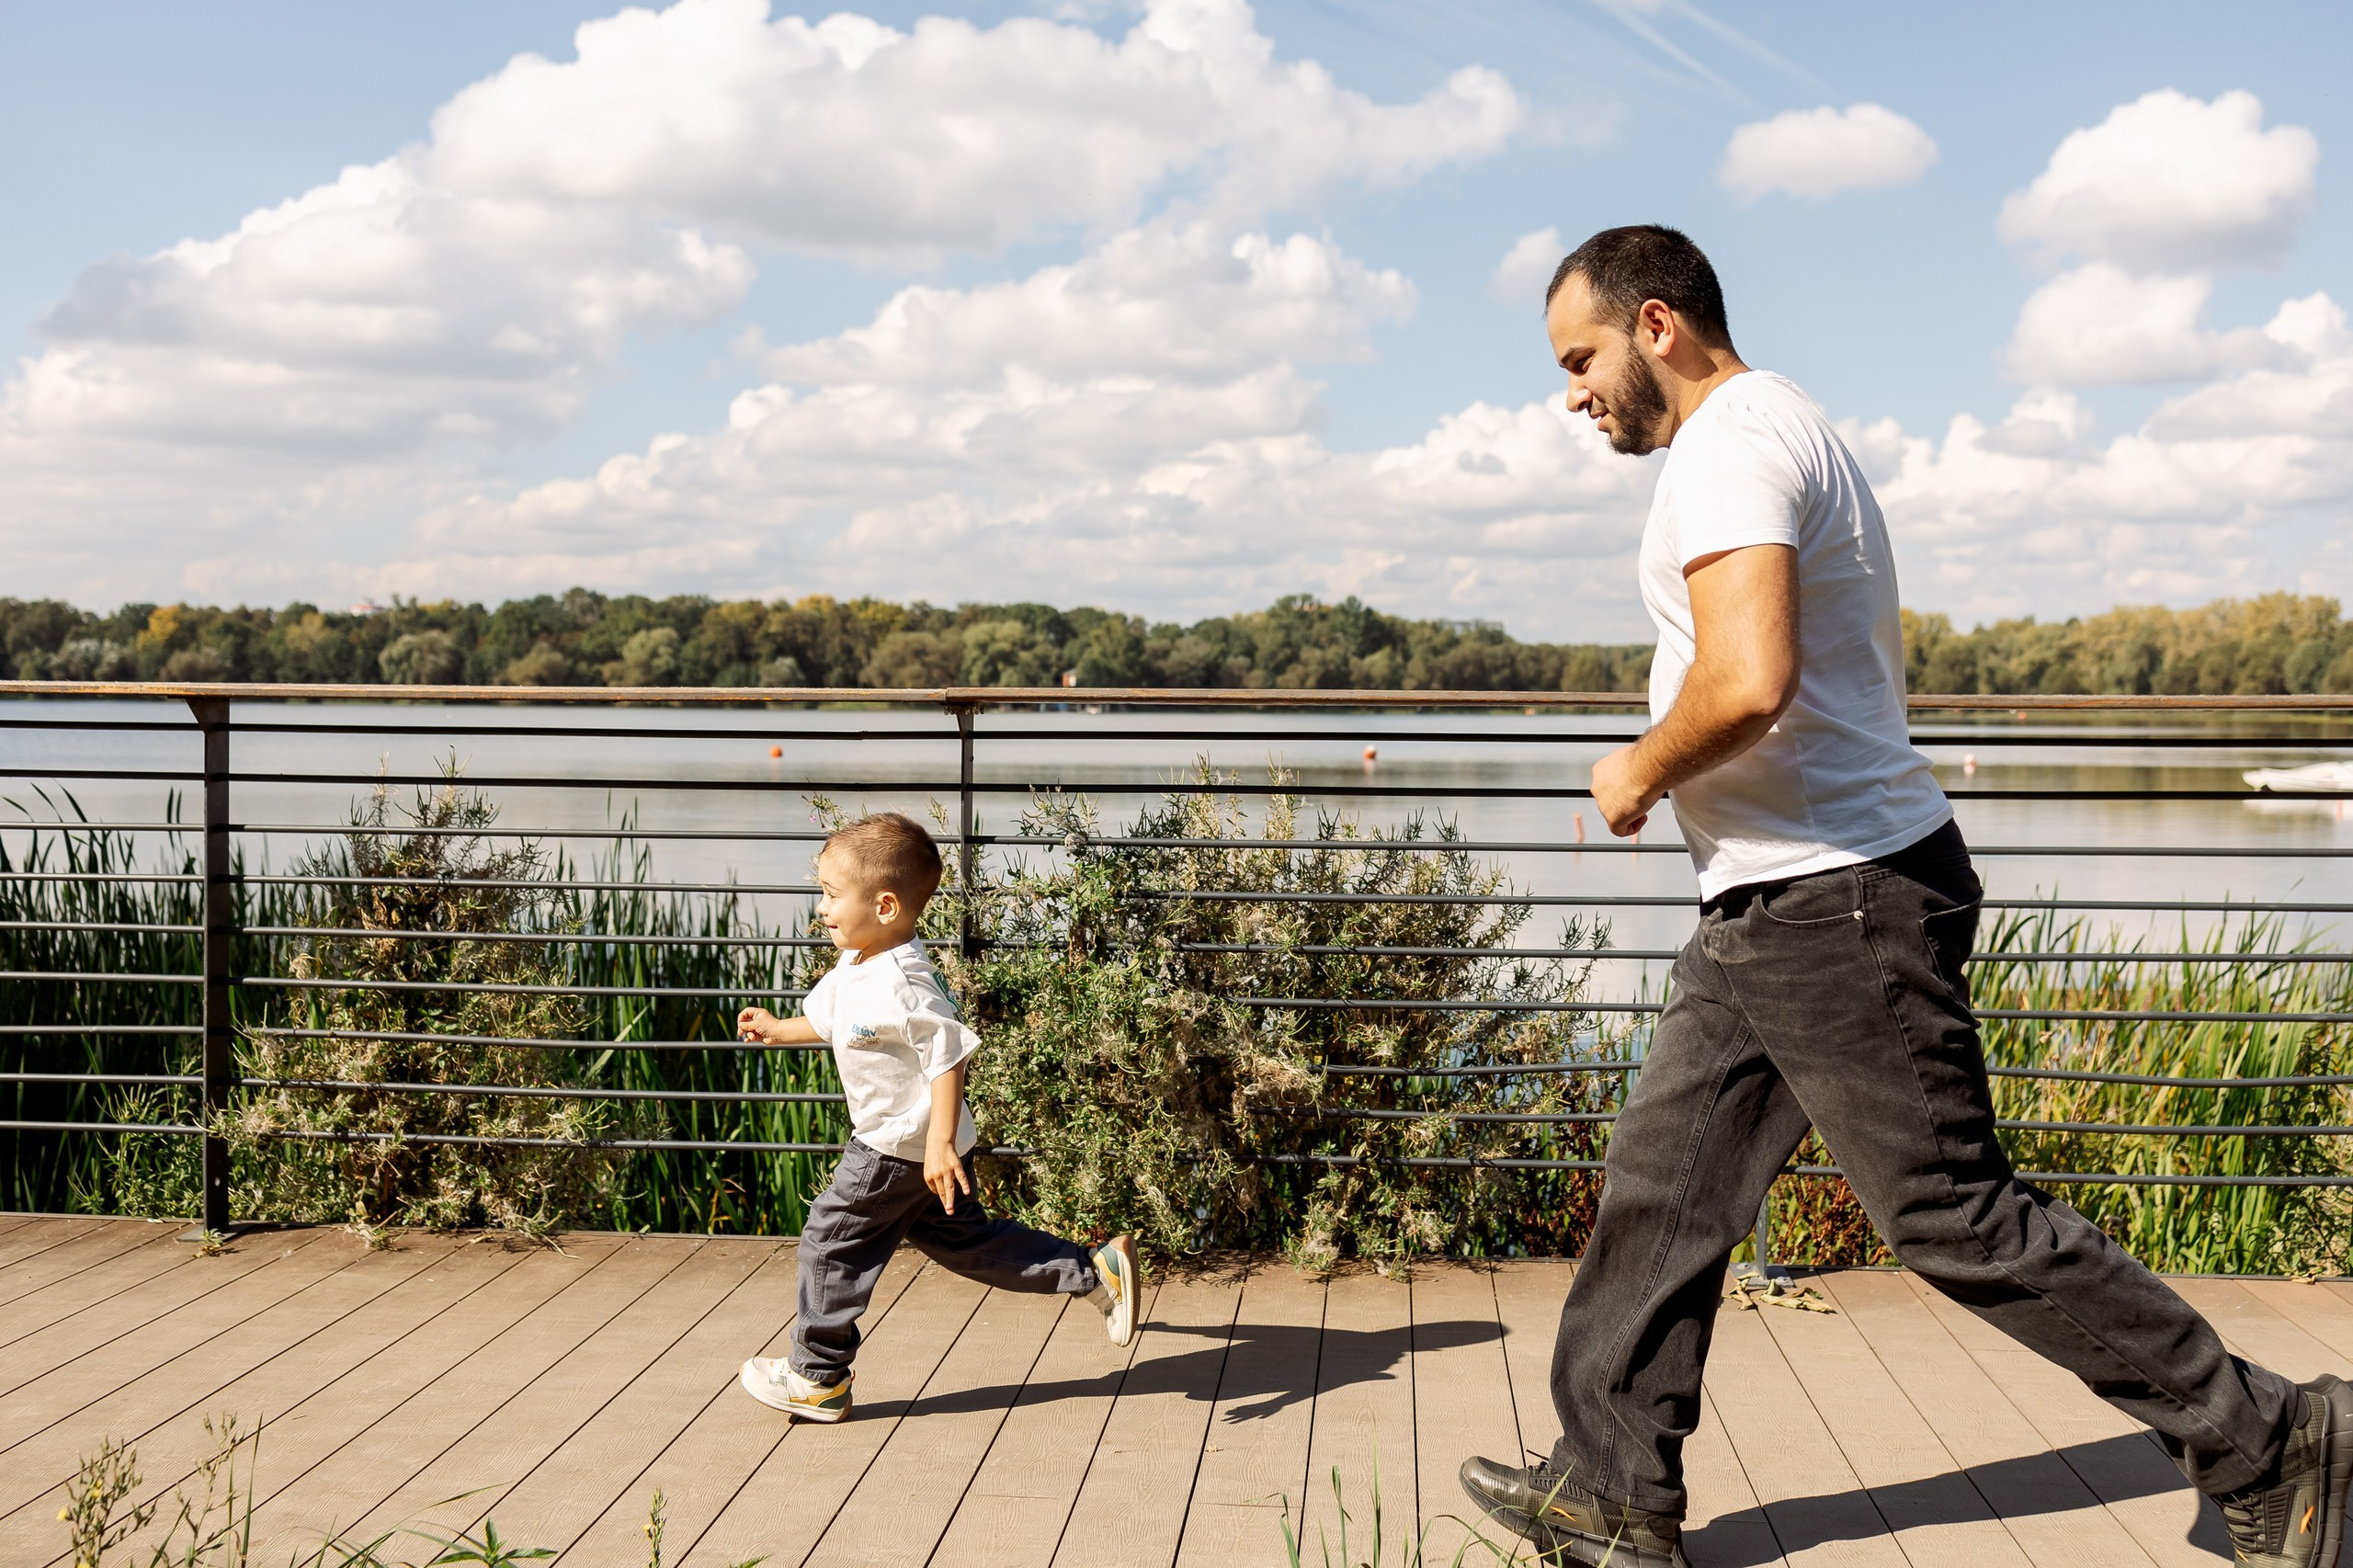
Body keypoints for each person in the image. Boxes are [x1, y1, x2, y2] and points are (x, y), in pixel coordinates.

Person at [1457, 224, 2353, 1568]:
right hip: (1776, 898)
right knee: (1664, 1182)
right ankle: (1609, 1484)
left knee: (1952, 1213)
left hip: (1838, 899)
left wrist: (1637, 768)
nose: (1571, 393)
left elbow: (1752, 674)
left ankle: (2272, 1445)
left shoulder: (1734, 445)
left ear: (1656, 324)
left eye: (1579, 359)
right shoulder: (1771, 428)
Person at [733, 811, 1140, 1421]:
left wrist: (940, 1143)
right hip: (915, 1146)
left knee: (830, 1238)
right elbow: (830, 1021)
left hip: (900, 1144)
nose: (822, 908)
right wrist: (777, 1030)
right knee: (968, 1244)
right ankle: (1094, 1273)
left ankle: (818, 1376)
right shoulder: (858, 961)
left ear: (887, 906)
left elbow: (948, 1054)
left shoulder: (903, 982)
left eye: (831, 895)